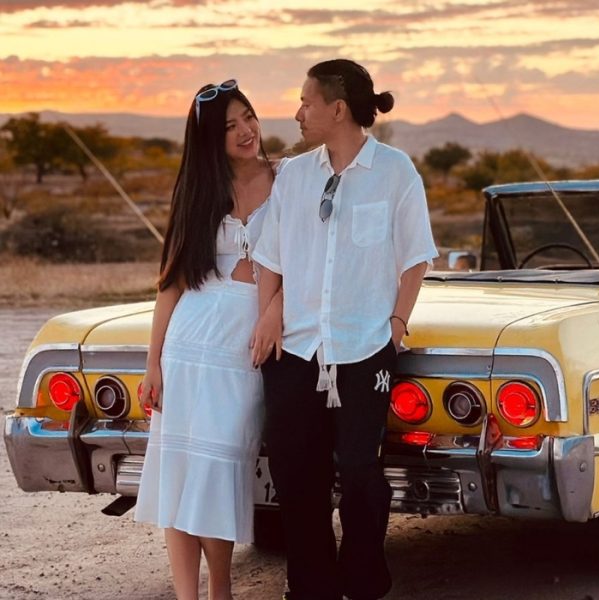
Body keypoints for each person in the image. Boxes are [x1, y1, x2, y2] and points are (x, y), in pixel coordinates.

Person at [252, 59, 438, 600]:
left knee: (360, 472)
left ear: (337, 108)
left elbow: (416, 257)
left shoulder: (396, 171)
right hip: (296, 350)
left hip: (364, 348)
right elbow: (272, 257)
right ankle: (309, 587)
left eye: (306, 102)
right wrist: (270, 312)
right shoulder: (295, 176)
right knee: (295, 476)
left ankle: (363, 579)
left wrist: (397, 326)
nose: (297, 112)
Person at [134, 78, 283, 600]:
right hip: (187, 346)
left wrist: (274, 312)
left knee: (219, 472)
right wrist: (152, 364)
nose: (246, 131)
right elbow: (171, 286)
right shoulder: (199, 194)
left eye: (248, 117)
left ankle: (220, 588)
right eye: (229, 127)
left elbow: (305, 268)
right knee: (178, 473)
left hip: (242, 350)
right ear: (209, 141)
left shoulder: (288, 180)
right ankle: (187, 597)